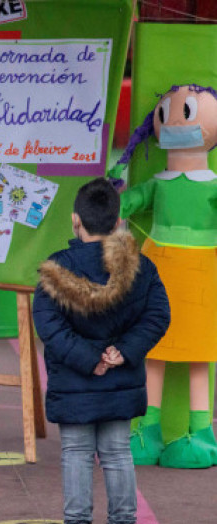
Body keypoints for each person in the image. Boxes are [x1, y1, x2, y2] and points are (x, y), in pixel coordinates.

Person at [33, 178, 170, 524]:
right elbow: (158, 315)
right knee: (117, 452)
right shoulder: (141, 269)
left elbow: (49, 326)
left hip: (75, 381)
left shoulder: (56, 270)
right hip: (121, 380)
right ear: (117, 223)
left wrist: (87, 358)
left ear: (76, 220)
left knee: (75, 452)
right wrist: (120, 352)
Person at [109, 84, 217, 468]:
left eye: (185, 111)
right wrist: (112, 199)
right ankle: (147, 426)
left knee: (199, 356)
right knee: (153, 349)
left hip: (201, 275)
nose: (172, 121)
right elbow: (131, 201)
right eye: (165, 113)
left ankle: (201, 431)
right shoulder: (159, 183)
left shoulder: (211, 187)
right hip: (158, 272)